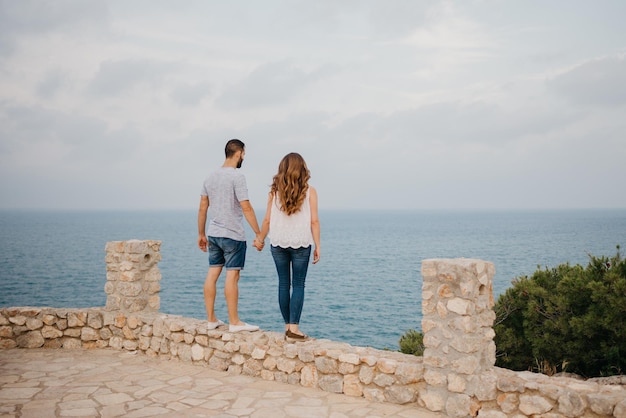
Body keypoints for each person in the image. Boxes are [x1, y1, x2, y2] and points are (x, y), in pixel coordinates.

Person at [197, 139, 265, 333]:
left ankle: (211, 319)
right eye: (244, 154)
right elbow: (246, 207)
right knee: (232, 276)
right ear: (239, 153)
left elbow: (203, 207)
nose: (244, 157)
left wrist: (201, 233)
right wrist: (259, 234)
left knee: (212, 274)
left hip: (213, 233)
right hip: (233, 234)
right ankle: (234, 322)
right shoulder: (237, 176)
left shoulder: (210, 177)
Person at [258, 152, 321, 341]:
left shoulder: (274, 192)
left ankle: (287, 326)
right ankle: (294, 329)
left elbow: (268, 219)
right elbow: (315, 221)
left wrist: (260, 239)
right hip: (301, 242)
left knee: (284, 284)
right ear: (302, 169)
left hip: (278, 242)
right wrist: (318, 245)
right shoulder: (310, 191)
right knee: (299, 284)